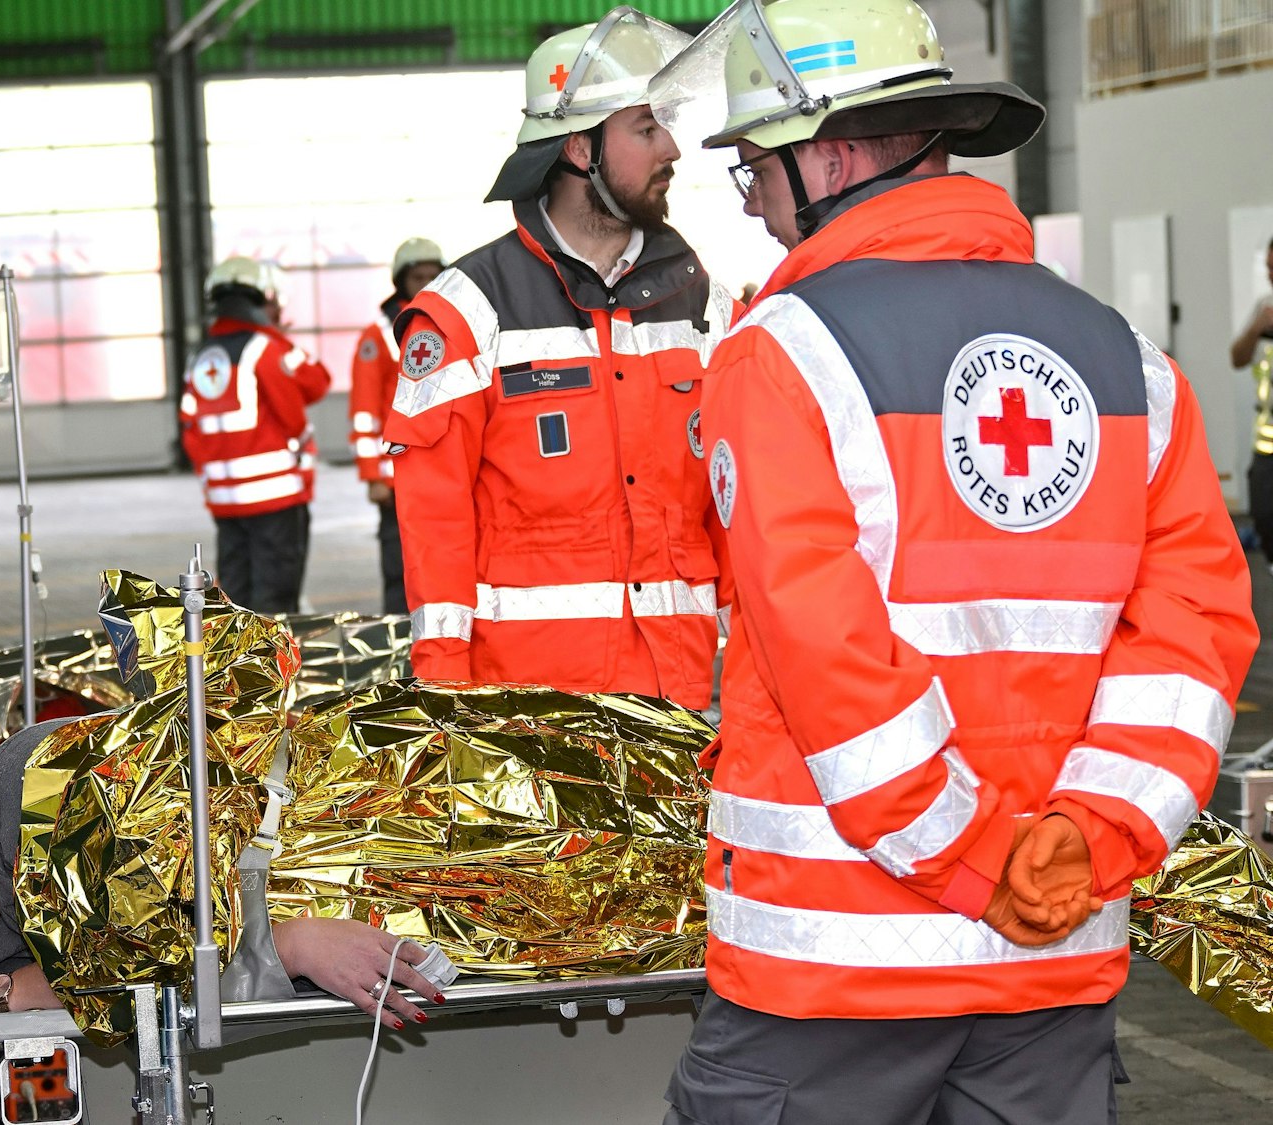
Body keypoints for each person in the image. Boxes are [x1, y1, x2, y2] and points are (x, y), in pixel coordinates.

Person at [665, 1, 1257, 1121]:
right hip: (1051, 962)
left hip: (834, 966)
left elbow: (826, 661)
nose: (750, 204)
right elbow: (1189, 643)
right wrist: (1083, 844)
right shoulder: (1125, 362)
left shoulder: (777, 356)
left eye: (752, 171)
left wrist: (981, 858)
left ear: (827, 154)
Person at [380, 10, 739, 700]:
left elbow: (735, 516)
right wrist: (447, 697)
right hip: (534, 721)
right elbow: (435, 526)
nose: (672, 148)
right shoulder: (467, 314)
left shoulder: (704, 307)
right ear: (580, 149)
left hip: (680, 704)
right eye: (646, 127)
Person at [0, 721, 443, 1031]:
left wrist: (4, 992)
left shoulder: (35, 778)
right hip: (417, 905)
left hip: (405, 797)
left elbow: (155, 951)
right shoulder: (9, 953)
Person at [179, 257, 332, 614]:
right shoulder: (265, 348)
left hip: (224, 501)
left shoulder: (199, 356)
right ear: (263, 300)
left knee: (236, 598)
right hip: (275, 498)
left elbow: (189, 428)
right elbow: (315, 384)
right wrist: (274, 332)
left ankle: (238, 667)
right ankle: (271, 670)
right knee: (276, 599)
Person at [349, 237, 445, 615]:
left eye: (432, 275)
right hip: (397, 478)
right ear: (400, 281)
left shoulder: (455, 319)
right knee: (399, 566)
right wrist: (372, 475)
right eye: (417, 276)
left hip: (445, 470)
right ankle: (398, 641)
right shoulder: (378, 334)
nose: (424, 283)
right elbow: (363, 410)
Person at [1230, 235, 1273, 570]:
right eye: (1268, 269)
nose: (1270, 276)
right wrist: (1258, 327)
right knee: (1264, 515)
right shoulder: (1264, 308)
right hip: (1266, 443)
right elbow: (1237, 357)